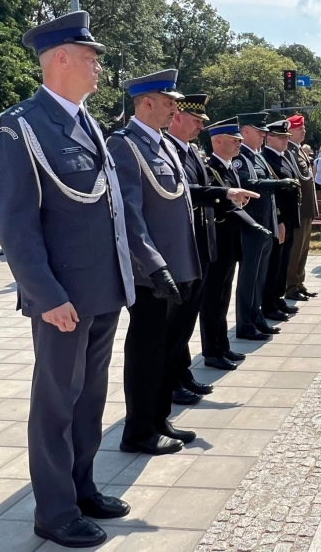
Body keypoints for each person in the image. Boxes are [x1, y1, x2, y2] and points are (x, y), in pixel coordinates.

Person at [0, 12, 134, 547]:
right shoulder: (19, 124)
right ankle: (53, 510)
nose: (98, 66)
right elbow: (13, 219)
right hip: (62, 296)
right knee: (56, 402)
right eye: (90, 57)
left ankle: (82, 487)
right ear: (61, 59)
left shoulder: (87, 121)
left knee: (90, 396)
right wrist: (45, 294)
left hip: (101, 289)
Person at [107, 69, 201, 459]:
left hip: (181, 265)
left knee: (169, 349)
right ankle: (139, 429)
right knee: (147, 352)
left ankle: (159, 418)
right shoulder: (124, 145)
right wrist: (155, 265)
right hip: (153, 275)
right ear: (147, 102)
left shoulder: (161, 144)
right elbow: (128, 213)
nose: (173, 109)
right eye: (168, 102)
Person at [165, 95, 258, 404]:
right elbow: (185, 192)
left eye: (203, 122)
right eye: (196, 121)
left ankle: (182, 374)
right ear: (177, 118)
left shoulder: (189, 152)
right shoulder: (169, 152)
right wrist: (225, 192)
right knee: (176, 322)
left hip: (201, 246)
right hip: (181, 247)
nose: (200, 127)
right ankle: (172, 381)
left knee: (187, 318)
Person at [200, 119, 268, 370]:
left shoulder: (228, 168)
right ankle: (212, 351)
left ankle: (222, 347)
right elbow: (218, 202)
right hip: (216, 242)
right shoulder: (211, 168)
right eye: (234, 140)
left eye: (240, 139)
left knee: (223, 296)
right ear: (217, 141)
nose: (239, 143)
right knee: (212, 299)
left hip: (230, 242)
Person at [234, 113, 291, 340]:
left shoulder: (258, 157)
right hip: (251, 226)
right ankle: (245, 323)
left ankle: (256, 316)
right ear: (245, 131)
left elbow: (270, 196)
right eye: (259, 132)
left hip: (265, 223)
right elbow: (247, 183)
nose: (263, 135)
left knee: (260, 277)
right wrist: (278, 183)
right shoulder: (241, 157)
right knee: (249, 277)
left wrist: (277, 220)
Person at [261, 120, 301, 320]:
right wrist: (279, 219)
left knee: (283, 262)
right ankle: (269, 304)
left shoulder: (284, 157)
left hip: (290, 218)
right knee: (274, 264)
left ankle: (278, 298)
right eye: (281, 137)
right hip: (279, 219)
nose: (286, 140)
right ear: (269, 138)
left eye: (286, 137)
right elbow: (273, 193)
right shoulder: (265, 158)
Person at [284, 114, 319, 301]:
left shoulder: (299, 150)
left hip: (306, 207)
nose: (303, 130)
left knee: (304, 248)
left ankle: (299, 282)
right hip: (298, 208)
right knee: (295, 249)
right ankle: (290, 286)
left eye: (303, 127)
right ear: (289, 132)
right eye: (299, 128)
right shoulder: (289, 151)